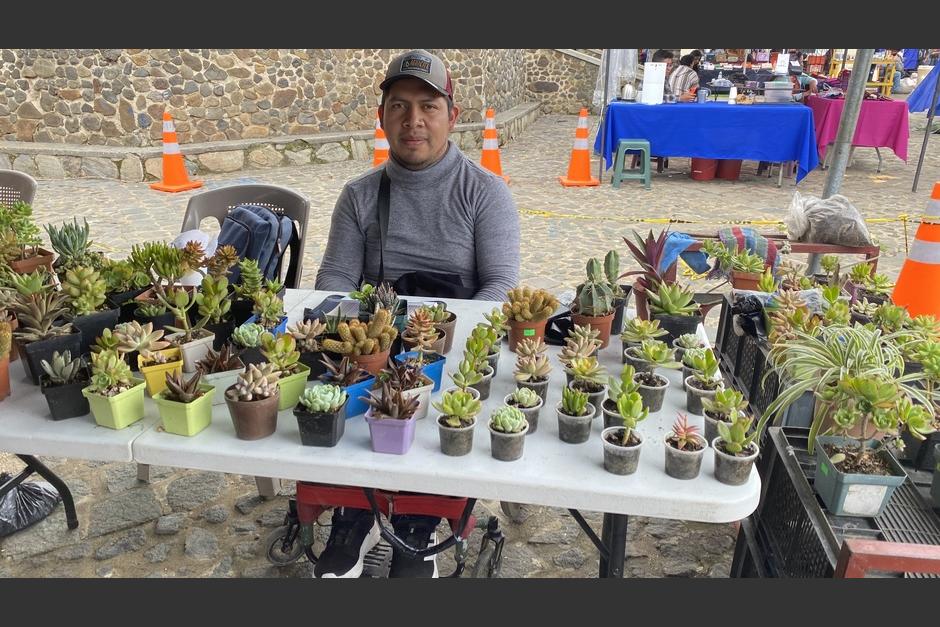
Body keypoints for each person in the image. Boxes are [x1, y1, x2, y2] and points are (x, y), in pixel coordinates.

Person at [312, 49, 521, 579]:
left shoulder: (485, 192)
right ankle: (352, 514)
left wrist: (452, 333)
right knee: (337, 396)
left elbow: (501, 283)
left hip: (453, 347)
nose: (414, 121)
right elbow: (334, 280)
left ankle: (420, 520)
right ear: (382, 116)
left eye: (428, 106)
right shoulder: (359, 196)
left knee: (444, 416)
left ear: (452, 114)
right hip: (377, 345)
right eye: (399, 106)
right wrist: (354, 337)